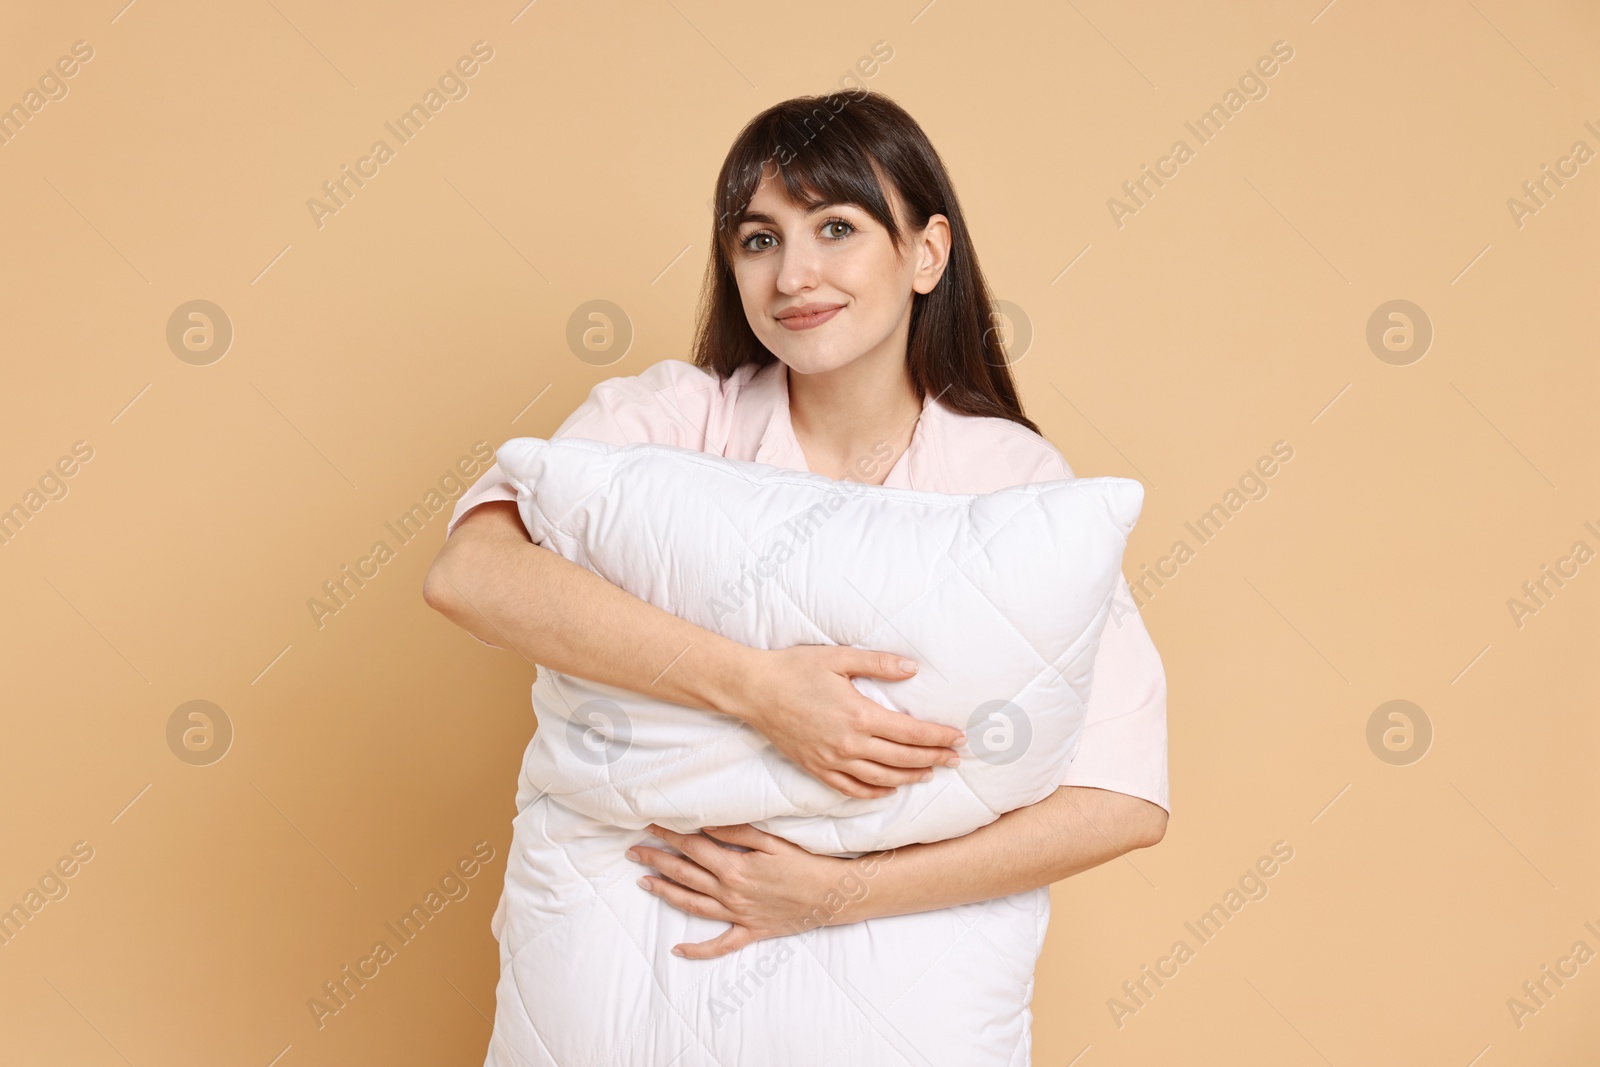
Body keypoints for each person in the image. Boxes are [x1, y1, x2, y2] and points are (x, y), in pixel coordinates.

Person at [424, 88, 1167, 1046]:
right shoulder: (669, 418)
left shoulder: (1013, 481)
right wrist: (762, 691)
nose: (793, 273)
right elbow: (471, 575)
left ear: (927, 252)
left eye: (836, 227)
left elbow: (1124, 798)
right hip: (623, 957)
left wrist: (836, 893)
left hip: (894, 973)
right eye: (759, 239)